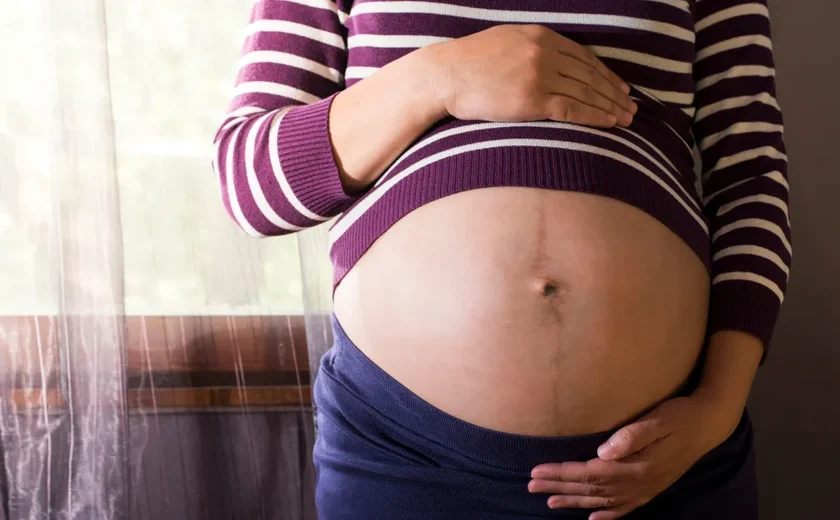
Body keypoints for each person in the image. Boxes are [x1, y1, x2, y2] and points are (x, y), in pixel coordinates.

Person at [212, 0, 789, 518]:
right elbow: (248, 183)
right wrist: (436, 79)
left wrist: (717, 405)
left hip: (666, 460)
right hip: (407, 457)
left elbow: (751, 180)